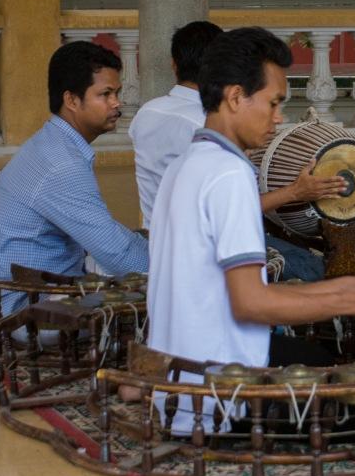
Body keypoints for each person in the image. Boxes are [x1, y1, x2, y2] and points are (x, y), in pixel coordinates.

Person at [146, 27, 355, 433]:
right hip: (222, 406)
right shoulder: (228, 174)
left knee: (320, 360)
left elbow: (237, 295)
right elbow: (251, 304)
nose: (278, 118)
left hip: (181, 387)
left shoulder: (184, 166)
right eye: (273, 103)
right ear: (236, 97)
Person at [129, 20, 342, 281]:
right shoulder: (218, 147)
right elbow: (247, 300)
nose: (277, 118)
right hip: (207, 251)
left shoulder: (145, 114)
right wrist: (296, 191)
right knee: (316, 269)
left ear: (175, 64)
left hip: (159, 240)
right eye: (273, 104)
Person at [0, 41, 149, 326]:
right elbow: (117, 253)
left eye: (116, 93)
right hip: (22, 310)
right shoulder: (62, 165)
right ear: (72, 100)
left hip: (18, 292)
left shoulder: (53, 143)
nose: (117, 103)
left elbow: (105, 232)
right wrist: (172, 271)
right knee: (159, 295)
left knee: (129, 250)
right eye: (105, 94)